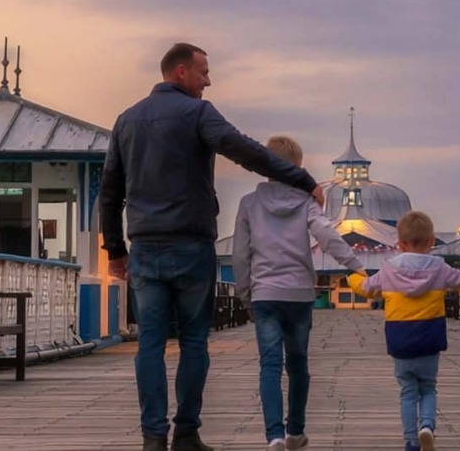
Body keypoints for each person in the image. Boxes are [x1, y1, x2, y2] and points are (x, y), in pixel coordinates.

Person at [100, 43, 327, 451]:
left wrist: (115, 250)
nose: (209, 80)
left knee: (149, 343)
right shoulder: (199, 113)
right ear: (181, 72)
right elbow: (247, 151)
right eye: (204, 72)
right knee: (192, 342)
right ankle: (186, 432)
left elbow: (110, 192)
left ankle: (153, 438)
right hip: (190, 246)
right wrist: (302, 179)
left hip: (146, 249)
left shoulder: (126, 120)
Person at [231, 136, 365, 451]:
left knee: (269, 364)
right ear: (299, 168)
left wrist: (245, 295)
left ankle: (274, 435)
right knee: (298, 363)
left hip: (265, 293)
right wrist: (355, 266)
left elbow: (240, 254)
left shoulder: (249, 204)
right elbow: (327, 235)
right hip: (298, 294)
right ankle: (295, 432)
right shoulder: (305, 203)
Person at [348, 211, 460, 451]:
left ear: (399, 244)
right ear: (431, 241)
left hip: (401, 340)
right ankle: (427, 426)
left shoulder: (388, 270)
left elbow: (366, 288)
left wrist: (352, 278)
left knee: (408, 392)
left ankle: (411, 442)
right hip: (429, 338)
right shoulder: (439, 268)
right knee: (428, 388)